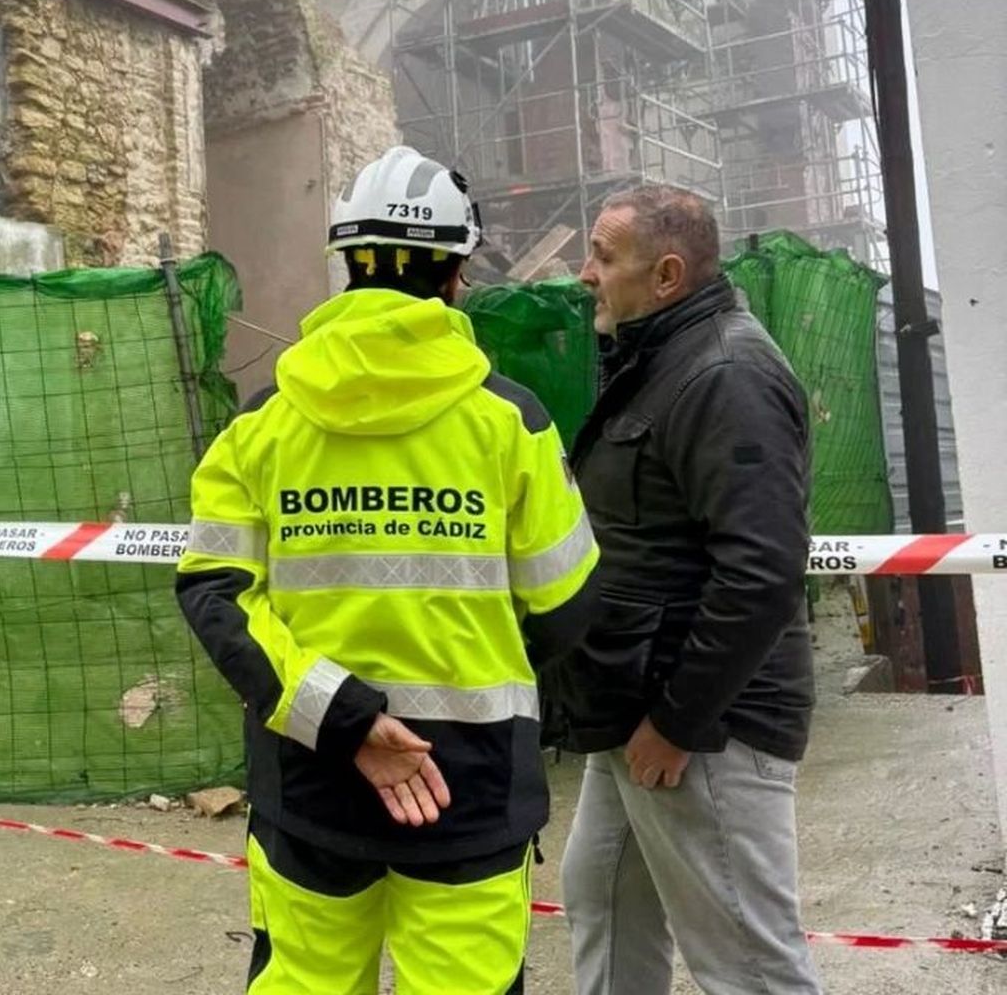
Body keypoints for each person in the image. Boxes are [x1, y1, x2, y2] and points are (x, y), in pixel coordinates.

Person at [177, 145, 600, 995]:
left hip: (312, 778)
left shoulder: (261, 425)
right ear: (454, 274)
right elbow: (566, 607)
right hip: (470, 786)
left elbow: (215, 594)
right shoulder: (511, 421)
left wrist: (346, 723)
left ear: (347, 267)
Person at [551, 185, 820, 995]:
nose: (584, 275)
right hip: (638, 710)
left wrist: (677, 722)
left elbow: (763, 573)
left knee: (746, 962)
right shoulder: (663, 360)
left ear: (666, 275)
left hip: (704, 727)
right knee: (602, 896)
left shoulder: (726, 374)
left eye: (603, 256)